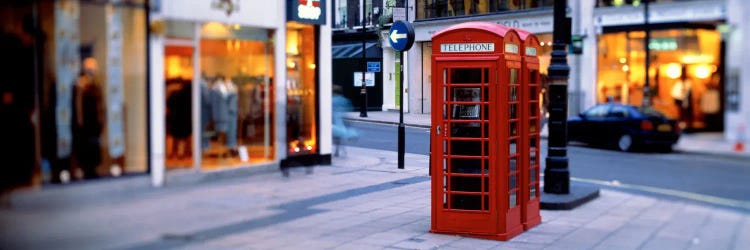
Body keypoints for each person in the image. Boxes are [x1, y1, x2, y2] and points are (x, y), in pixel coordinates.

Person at [332, 85, 358, 157]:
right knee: (339, 135)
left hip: (334, 120)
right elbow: (349, 109)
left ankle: (337, 150)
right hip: (341, 120)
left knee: (335, 136)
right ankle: (341, 150)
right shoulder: (344, 100)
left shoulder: (332, 100)